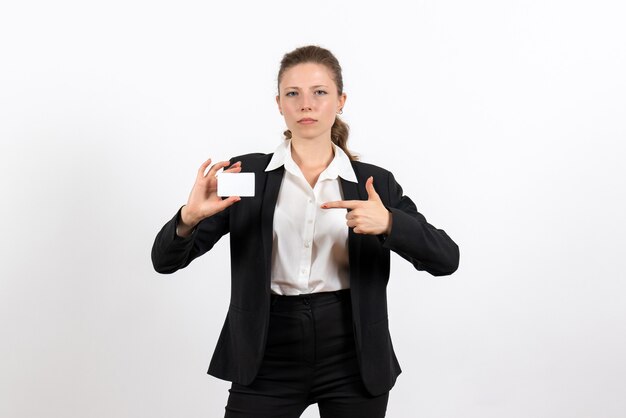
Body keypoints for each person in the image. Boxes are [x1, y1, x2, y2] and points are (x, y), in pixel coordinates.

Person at [151, 45, 459, 418]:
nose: (306, 105)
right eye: (292, 94)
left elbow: (446, 258)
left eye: (320, 92)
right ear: (279, 103)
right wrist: (189, 218)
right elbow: (164, 262)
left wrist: (391, 225)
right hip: (267, 352)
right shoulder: (246, 176)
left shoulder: (371, 183)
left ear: (341, 100)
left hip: (354, 353)